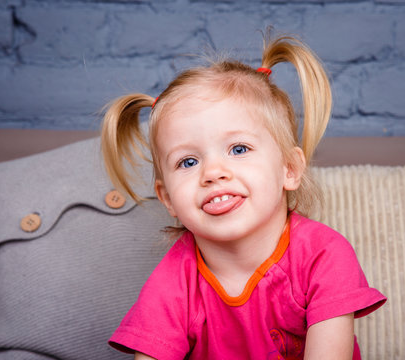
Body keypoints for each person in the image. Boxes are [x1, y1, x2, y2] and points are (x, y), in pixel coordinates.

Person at [101, 33, 386, 360]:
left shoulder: (324, 254)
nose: (212, 172)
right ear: (167, 199)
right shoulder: (175, 278)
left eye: (239, 149)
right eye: (188, 162)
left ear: (289, 169)